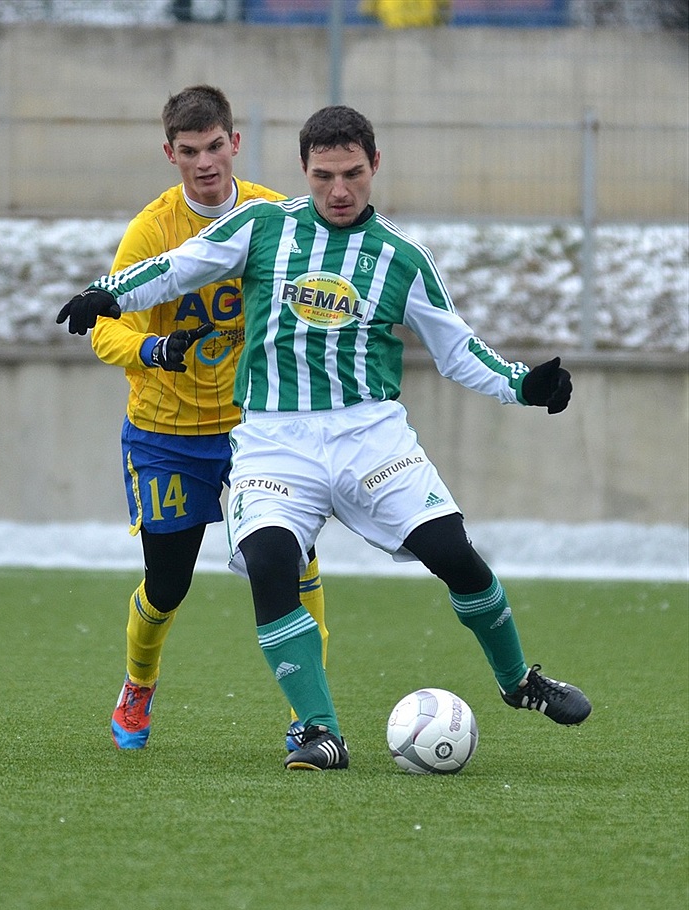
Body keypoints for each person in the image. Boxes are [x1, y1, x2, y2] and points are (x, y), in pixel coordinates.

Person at [58, 104, 592, 771]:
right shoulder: (261, 226)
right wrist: (107, 294)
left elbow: (458, 351)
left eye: (351, 174)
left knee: (455, 556)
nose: (339, 190)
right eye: (323, 175)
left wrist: (522, 385)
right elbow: (178, 266)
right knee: (271, 565)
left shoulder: (401, 258)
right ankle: (318, 730)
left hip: (371, 436)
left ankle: (519, 684)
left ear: (374, 167)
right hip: (274, 441)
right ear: (304, 172)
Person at [58, 85, 331, 752]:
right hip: (166, 433)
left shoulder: (276, 215)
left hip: (258, 431)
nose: (205, 163)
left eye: (215, 147)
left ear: (235, 143)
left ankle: (313, 715)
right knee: (168, 583)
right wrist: (154, 347)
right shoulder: (152, 231)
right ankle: (138, 684)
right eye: (190, 151)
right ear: (170, 154)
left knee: (293, 560)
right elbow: (103, 327)